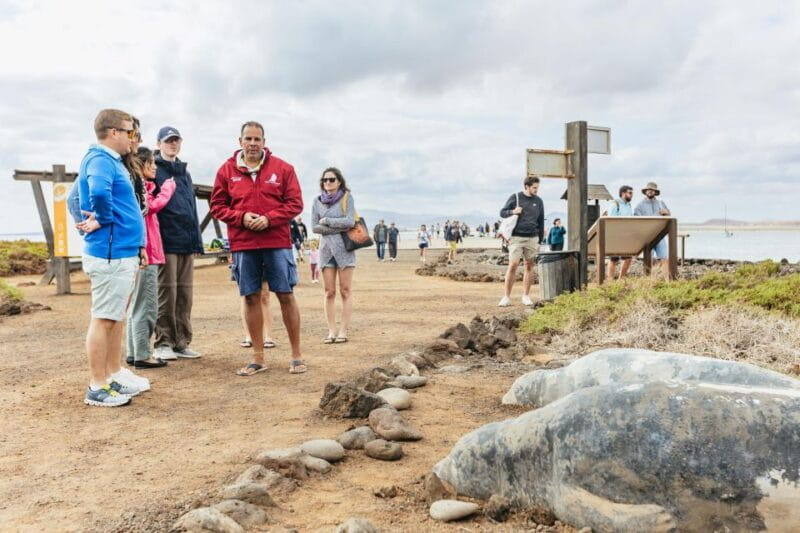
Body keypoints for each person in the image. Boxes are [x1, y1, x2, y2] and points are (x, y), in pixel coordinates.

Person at [211, 121, 306, 375]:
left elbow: (295, 203)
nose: (253, 144)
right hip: (244, 244)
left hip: (277, 242)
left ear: (264, 141)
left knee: (285, 295)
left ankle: (296, 355)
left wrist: (271, 218)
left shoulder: (283, 169)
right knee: (250, 296)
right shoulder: (226, 171)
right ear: (239, 141)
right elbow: (217, 206)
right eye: (248, 139)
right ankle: (257, 357)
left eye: (257, 139)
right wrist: (241, 217)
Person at [75, 109, 147, 406]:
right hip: (110, 254)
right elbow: (98, 195)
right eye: (130, 132)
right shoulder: (100, 159)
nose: (134, 138)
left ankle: (113, 373)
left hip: (122, 251)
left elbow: (73, 198)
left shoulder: (109, 161)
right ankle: (97, 384)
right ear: (114, 132)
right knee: (104, 318)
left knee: (116, 316)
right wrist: (98, 221)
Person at [152, 126, 203, 361]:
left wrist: (197, 242)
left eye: (176, 140)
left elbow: (192, 207)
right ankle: (163, 341)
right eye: (168, 141)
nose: (173, 144)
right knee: (166, 293)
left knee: (185, 294)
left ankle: (182, 341)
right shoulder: (153, 169)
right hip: (165, 241)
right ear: (159, 143)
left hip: (186, 240)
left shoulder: (184, 172)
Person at [125, 146, 176, 369]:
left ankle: (133, 351)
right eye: (151, 164)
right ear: (141, 165)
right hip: (147, 255)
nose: (155, 167)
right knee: (147, 306)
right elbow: (150, 208)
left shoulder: (139, 187)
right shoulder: (141, 190)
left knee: (136, 306)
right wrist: (167, 190)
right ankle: (143, 355)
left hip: (142, 253)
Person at [311, 167, 356, 344]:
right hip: (325, 251)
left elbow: (350, 222)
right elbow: (314, 227)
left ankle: (344, 330)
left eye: (331, 179)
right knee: (329, 292)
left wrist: (328, 221)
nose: (327, 183)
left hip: (345, 249)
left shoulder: (347, 198)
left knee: (345, 291)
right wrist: (337, 227)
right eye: (325, 180)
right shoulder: (316, 201)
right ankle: (331, 330)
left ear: (339, 182)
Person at [498, 176, 544, 307]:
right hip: (516, 237)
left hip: (532, 238)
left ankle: (526, 296)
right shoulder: (516, 197)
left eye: (537, 188)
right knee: (513, 265)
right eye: (534, 188)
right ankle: (506, 297)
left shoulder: (539, 201)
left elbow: (541, 222)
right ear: (526, 186)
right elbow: (502, 212)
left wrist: (540, 241)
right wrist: (513, 211)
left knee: (529, 266)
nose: (536, 190)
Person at [634, 182, 671, 278]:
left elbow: (669, 215)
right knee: (649, 260)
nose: (650, 191)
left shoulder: (661, 203)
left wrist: (666, 212)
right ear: (645, 191)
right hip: (647, 237)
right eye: (648, 189)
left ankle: (667, 282)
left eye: (652, 190)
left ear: (655, 192)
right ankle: (650, 281)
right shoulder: (639, 206)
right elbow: (636, 221)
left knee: (665, 258)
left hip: (660, 236)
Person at [608, 185, 634, 280]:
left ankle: (621, 279)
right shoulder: (615, 204)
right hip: (615, 236)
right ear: (623, 193)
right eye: (630, 193)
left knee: (628, 258)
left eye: (632, 193)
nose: (632, 195)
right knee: (613, 259)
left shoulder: (629, 205)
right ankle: (610, 281)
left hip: (626, 236)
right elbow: (610, 221)